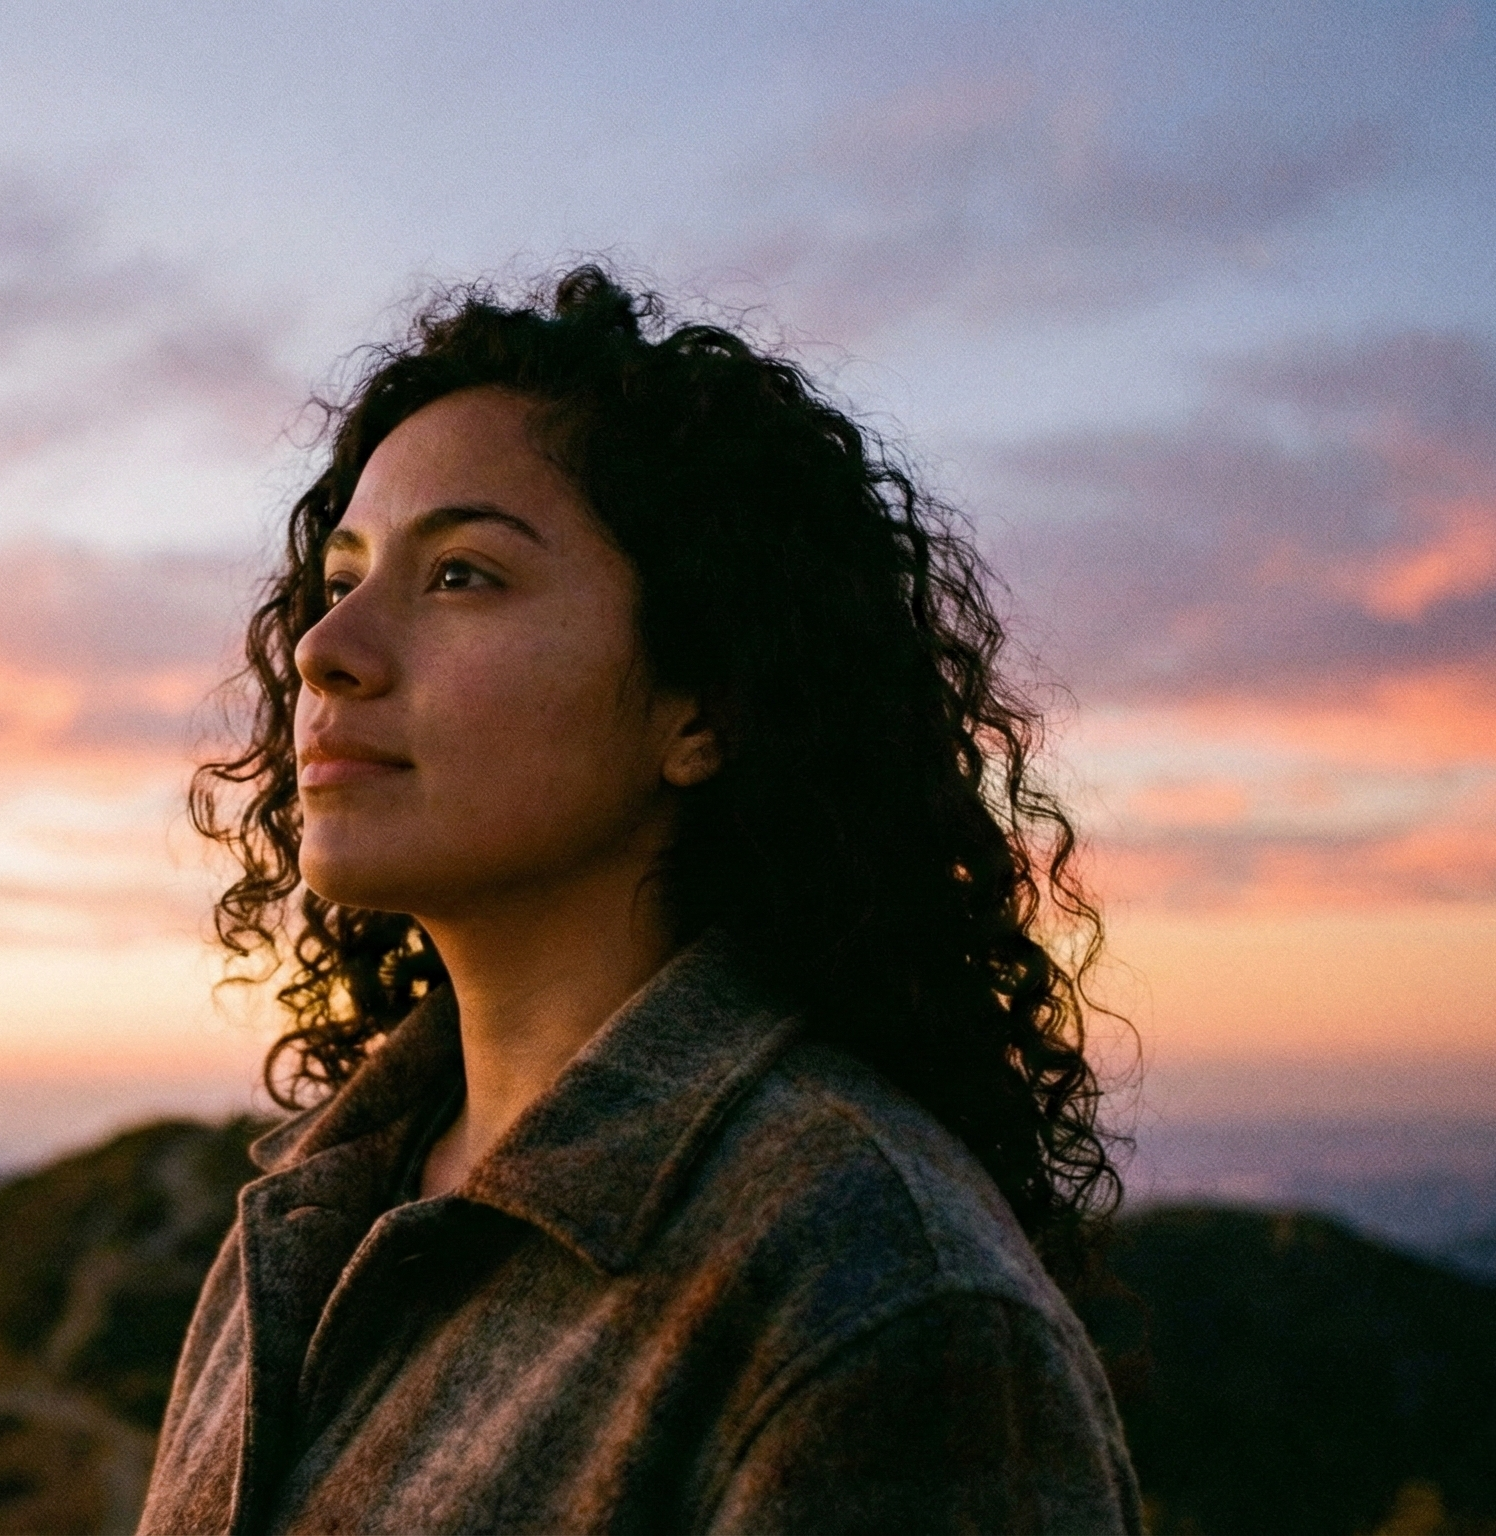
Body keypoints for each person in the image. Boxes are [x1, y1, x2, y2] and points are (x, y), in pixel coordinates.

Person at [138, 266, 1141, 1534]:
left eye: (461, 575)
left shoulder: (869, 1300)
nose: (323, 647)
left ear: (702, 705)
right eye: (342, 573)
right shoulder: (315, 1209)